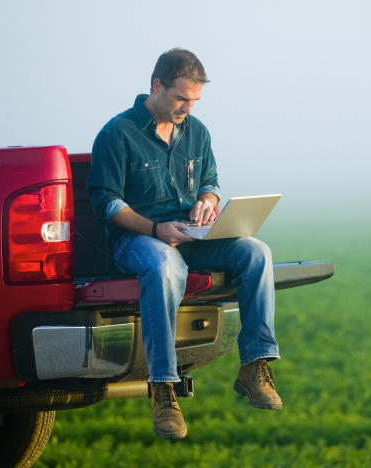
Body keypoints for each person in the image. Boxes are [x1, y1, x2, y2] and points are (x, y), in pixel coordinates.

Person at [87, 48, 281, 440]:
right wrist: (158, 230)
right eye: (181, 98)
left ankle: (255, 365)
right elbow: (106, 204)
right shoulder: (117, 133)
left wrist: (208, 204)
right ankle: (163, 387)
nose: (187, 108)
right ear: (157, 85)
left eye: (194, 100)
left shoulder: (197, 131)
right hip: (139, 240)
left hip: (192, 236)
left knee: (257, 251)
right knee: (164, 265)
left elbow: (210, 181)